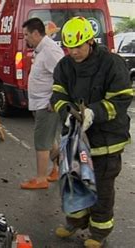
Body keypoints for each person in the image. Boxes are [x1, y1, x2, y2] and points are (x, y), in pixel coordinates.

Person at [51, 16, 133, 247]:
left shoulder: (112, 63)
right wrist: (67, 112)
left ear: (90, 41)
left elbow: (121, 99)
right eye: (69, 47)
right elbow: (57, 94)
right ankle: (76, 220)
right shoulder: (64, 66)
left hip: (107, 139)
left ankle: (99, 231)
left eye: (78, 46)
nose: (74, 52)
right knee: (72, 180)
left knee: (102, 185)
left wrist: (92, 113)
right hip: (76, 138)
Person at [20, 18, 64, 190]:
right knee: (48, 139)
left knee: (42, 141)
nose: (25, 39)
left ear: (36, 33)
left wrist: (53, 100)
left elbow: (63, 77)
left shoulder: (50, 51)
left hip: (47, 104)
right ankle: (59, 168)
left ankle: (40, 179)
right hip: (39, 103)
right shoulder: (41, 49)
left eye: (26, 35)